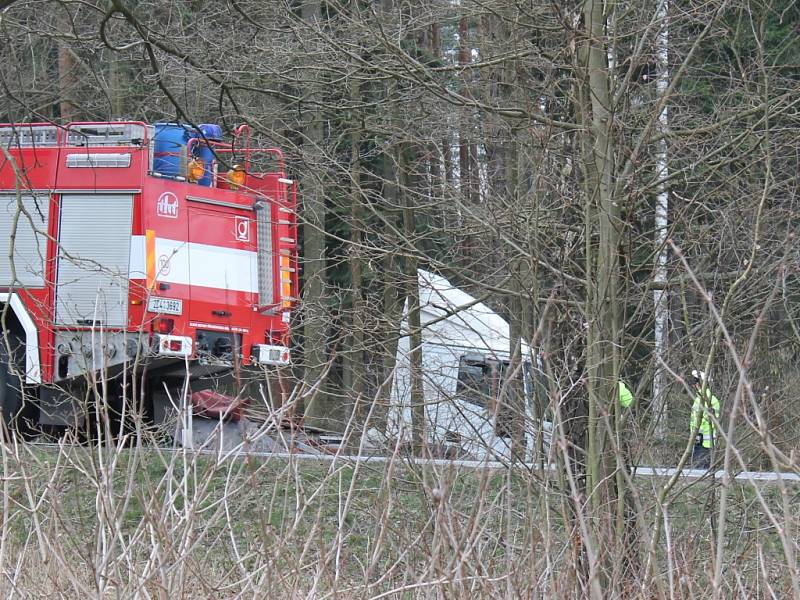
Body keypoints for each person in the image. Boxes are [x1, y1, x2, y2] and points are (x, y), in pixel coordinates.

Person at [689, 369, 720, 469]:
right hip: (706, 442)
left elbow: (702, 422)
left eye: (695, 382)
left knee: (699, 472)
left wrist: (695, 435)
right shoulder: (711, 399)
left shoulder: (703, 400)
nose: (694, 385)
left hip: (702, 443)